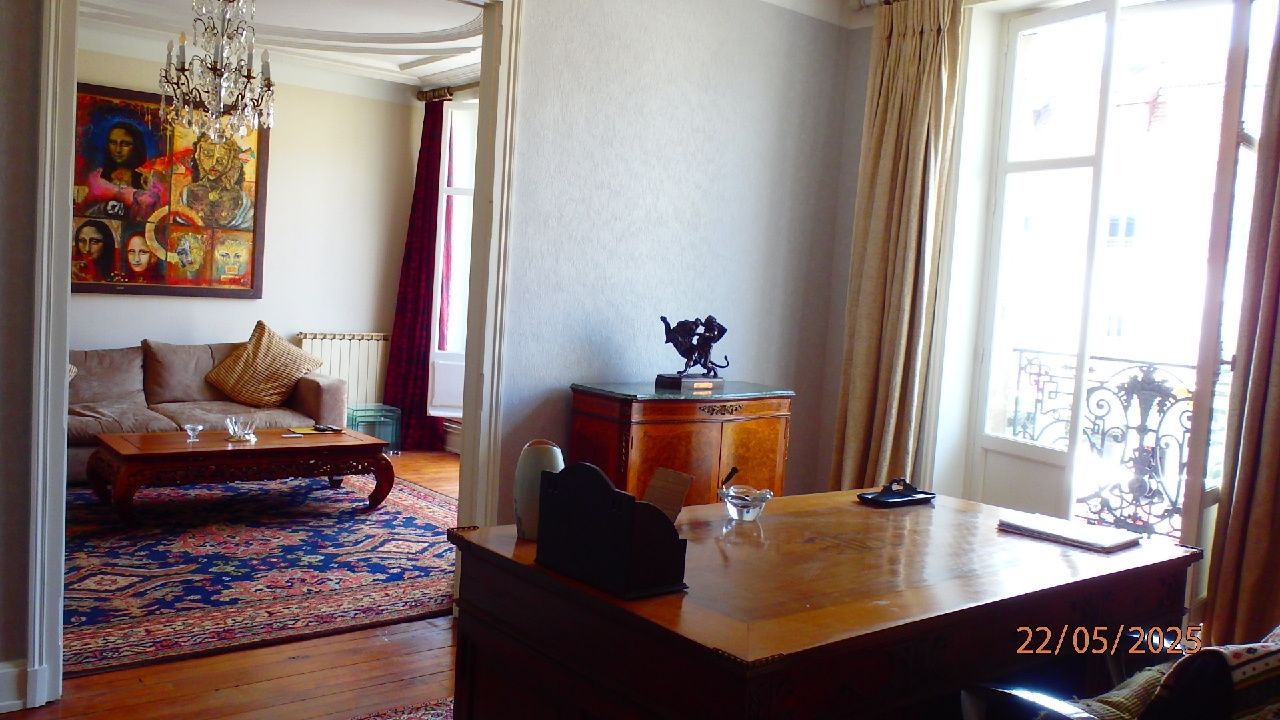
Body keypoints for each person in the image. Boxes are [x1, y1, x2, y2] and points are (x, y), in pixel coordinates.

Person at [77, 121, 167, 220]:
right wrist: (104, 208)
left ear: (136, 146)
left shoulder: (149, 181)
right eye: (113, 143)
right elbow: (83, 212)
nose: (118, 150)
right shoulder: (96, 178)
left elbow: (156, 216)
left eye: (125, 144)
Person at [181, 136, 254, 230]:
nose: (213, 163)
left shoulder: (243, 201)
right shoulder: (186, 194)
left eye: (221, 159)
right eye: (208, 154)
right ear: (198, 156)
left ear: (231, 161)